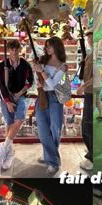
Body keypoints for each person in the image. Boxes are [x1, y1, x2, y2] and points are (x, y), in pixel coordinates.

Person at [32, 37, 68, 177]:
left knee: (55, 130)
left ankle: (51, 159)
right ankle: (51, 158)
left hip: (55, 98)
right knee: (42, 130)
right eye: (46, 46)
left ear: (57, 47)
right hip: (41, 97)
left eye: (49, 46)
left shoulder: (62, 66)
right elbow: (38, 78)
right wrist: (39, 77)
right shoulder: (43, 60)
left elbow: (53, 84)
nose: (46, 48)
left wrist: (41, 71)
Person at [0, 39, 34, 169]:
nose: (14, 51)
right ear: (9, 50)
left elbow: (30, 81)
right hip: (7, 97)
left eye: (16, 49)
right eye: (12, 49)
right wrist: (7, 102)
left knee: (20, 118)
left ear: (20, 49)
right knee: (9, 122)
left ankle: (5, 145)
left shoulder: (25, 64)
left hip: (22, 96)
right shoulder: (2, 66)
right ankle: (9, 152)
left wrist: (20, 93)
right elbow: (1, 85)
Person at [77, 29, 93, 171]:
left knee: (88, 126)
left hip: (91, 93)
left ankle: (92, 157)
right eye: (88, 37)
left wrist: (84, 86)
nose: (89, 39)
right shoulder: (90, 55)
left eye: (91, 37)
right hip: (89, 93)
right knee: (87, 124)